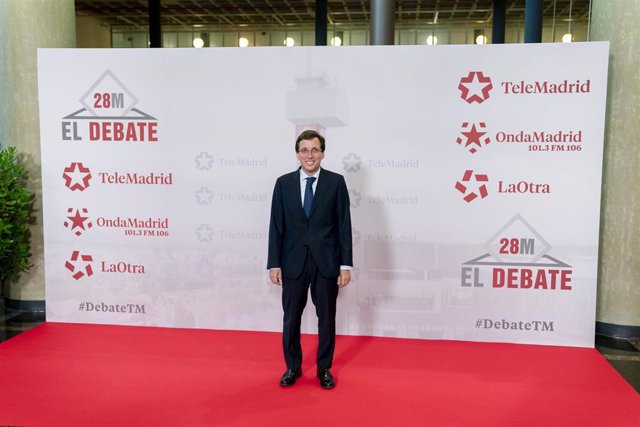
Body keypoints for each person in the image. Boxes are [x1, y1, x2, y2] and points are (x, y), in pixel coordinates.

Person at [267, 129, 353, 390]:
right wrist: (274, 263)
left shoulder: (336, 183)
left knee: (326, 319)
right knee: (291, 318)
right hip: (292, 263)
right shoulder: (282, 184)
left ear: (323, 153)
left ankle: (324, 368)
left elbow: (343, 226)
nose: (309, 155)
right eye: (304, 150)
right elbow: (276, 226)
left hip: (326, 263)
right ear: (297, 154)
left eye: (315, 150)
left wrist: (345, 264)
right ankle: (292, 367)